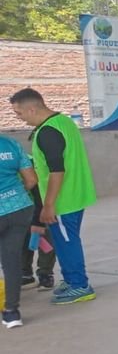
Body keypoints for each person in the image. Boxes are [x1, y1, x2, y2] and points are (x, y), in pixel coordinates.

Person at [9, 88, 97, 304]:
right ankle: (70, 279)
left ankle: (80, 285)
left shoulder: (47, 132)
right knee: (63, 240)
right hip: (75, 194)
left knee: (67, 242)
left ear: (32, 109)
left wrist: (48, 205)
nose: (19, 118)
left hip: (63, 201)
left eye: (19, 113)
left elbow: (57, 171)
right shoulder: (63, 122)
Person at [0, 134, 37, 328]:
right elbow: (31, 180)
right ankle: (12, 312)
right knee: (11, 261)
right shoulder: (11, 144)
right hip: (19, 207)